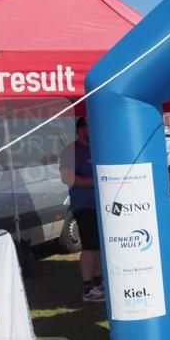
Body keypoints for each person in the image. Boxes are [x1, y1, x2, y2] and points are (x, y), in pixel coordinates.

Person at [59, 117, 104, 302]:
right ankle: (88, 288)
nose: (91, 130)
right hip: (84, 205)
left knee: (100, 246)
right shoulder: (71, 151)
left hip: (101, 205)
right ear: (81, 129)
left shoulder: (99, 147)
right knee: (90, 246)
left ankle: (99, 283)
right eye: (88, 126)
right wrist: (97, 182)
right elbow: (67, 178)